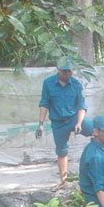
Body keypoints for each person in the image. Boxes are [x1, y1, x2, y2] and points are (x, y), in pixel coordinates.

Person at [36, 56, 94, 188]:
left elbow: (81, 106)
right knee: (62, 151)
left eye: (69, 71)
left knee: (96, 132)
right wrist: (40, 124)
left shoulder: (76, 85)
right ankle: (64, 180)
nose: (67, 74)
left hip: (74, 118)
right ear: (58, 69)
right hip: (58, 123)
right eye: (64, 71)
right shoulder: (48, 83)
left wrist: (79, 123)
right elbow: (44, 103)